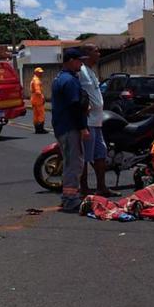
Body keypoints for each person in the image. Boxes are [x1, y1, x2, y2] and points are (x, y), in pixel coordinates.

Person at [51, 48, 89, 213]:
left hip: (62, 126)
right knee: (74, 164)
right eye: (80, 61)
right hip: (70, 127)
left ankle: (69, 197)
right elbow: (75, 106)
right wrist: (83, 127)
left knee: (70, 163)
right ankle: (70, 199)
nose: (82, 64)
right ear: (71, 61)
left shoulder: (60, 78)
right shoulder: (70, 81)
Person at [77, 44, 113, 196]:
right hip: (88, 122)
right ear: (87, 53)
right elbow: (77, 92)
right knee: (85, 157)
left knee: (100, 154)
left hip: (97, 122)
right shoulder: (81, 71)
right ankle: (84, 189)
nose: (99, 53)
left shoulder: (90, 71)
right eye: (96, 51)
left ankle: (101, 187)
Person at [30, 67, 47, 134]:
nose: (41, 74)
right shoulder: (36, 80)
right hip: (38, 99)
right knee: (41, 114)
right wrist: (42, 97)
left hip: (33, 98)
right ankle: (40, 129)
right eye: (40, 72)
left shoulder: (33, 79)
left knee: (36, 114)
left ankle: (37, 129)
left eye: (41, 72)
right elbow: (38, 91)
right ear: (36, 73)